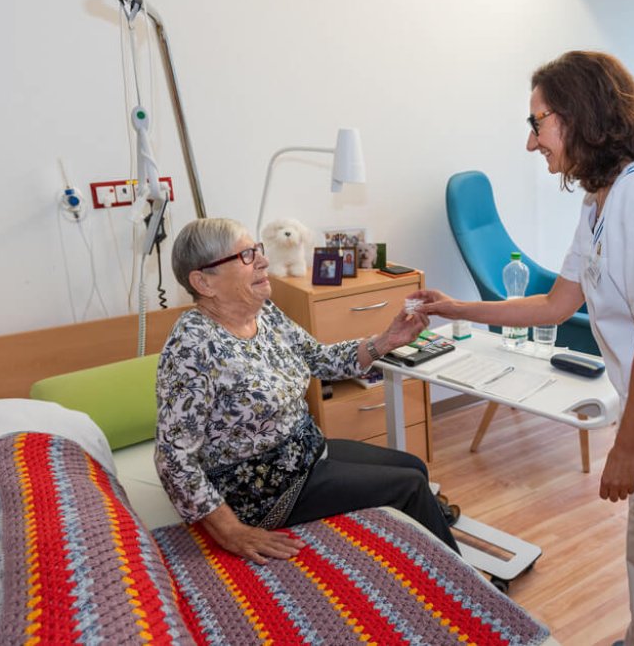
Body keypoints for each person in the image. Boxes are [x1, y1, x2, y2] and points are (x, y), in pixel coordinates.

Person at [413, 51, 634, 644]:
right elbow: (555, 304)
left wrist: (625, 448)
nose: (532, 143)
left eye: (537, 123)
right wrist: (456, 308)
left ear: (577, 115)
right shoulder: (602, 199)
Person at [155, 218, 459, 566]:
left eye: (257, 251)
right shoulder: (192, 346)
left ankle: (426, 547)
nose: (263, 261)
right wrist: (231, 532)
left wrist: (387, 340)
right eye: (245, 255)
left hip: (308, 453)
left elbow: (321, 359)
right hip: (265, 490)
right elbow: (172, 458)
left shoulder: (263, 313)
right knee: (410, 487)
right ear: (203, 281)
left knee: (415, 467)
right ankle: (467, 590)